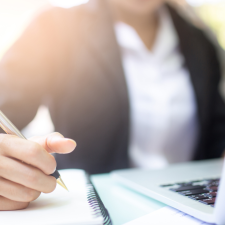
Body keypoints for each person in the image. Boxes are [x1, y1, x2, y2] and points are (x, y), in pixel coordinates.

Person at [0, 0, 225, 210]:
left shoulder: (200, 41)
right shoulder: (55, 28)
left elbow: (216, 134)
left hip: (190, 209)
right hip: (93, 207)